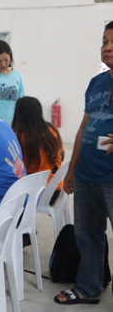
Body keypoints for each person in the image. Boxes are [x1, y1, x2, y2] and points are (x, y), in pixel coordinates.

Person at [54, 21, 113, 306]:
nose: (108, 47)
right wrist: (71, 169)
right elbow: (82, 128)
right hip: (87, 173)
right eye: (105, 41)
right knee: (87, 235)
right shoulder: (97, 82)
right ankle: (89, 289)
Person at [12, 96, 64, 205]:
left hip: (35, 194)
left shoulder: (19, 136)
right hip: (55, 191)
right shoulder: (52, 130)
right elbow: (61, 156)